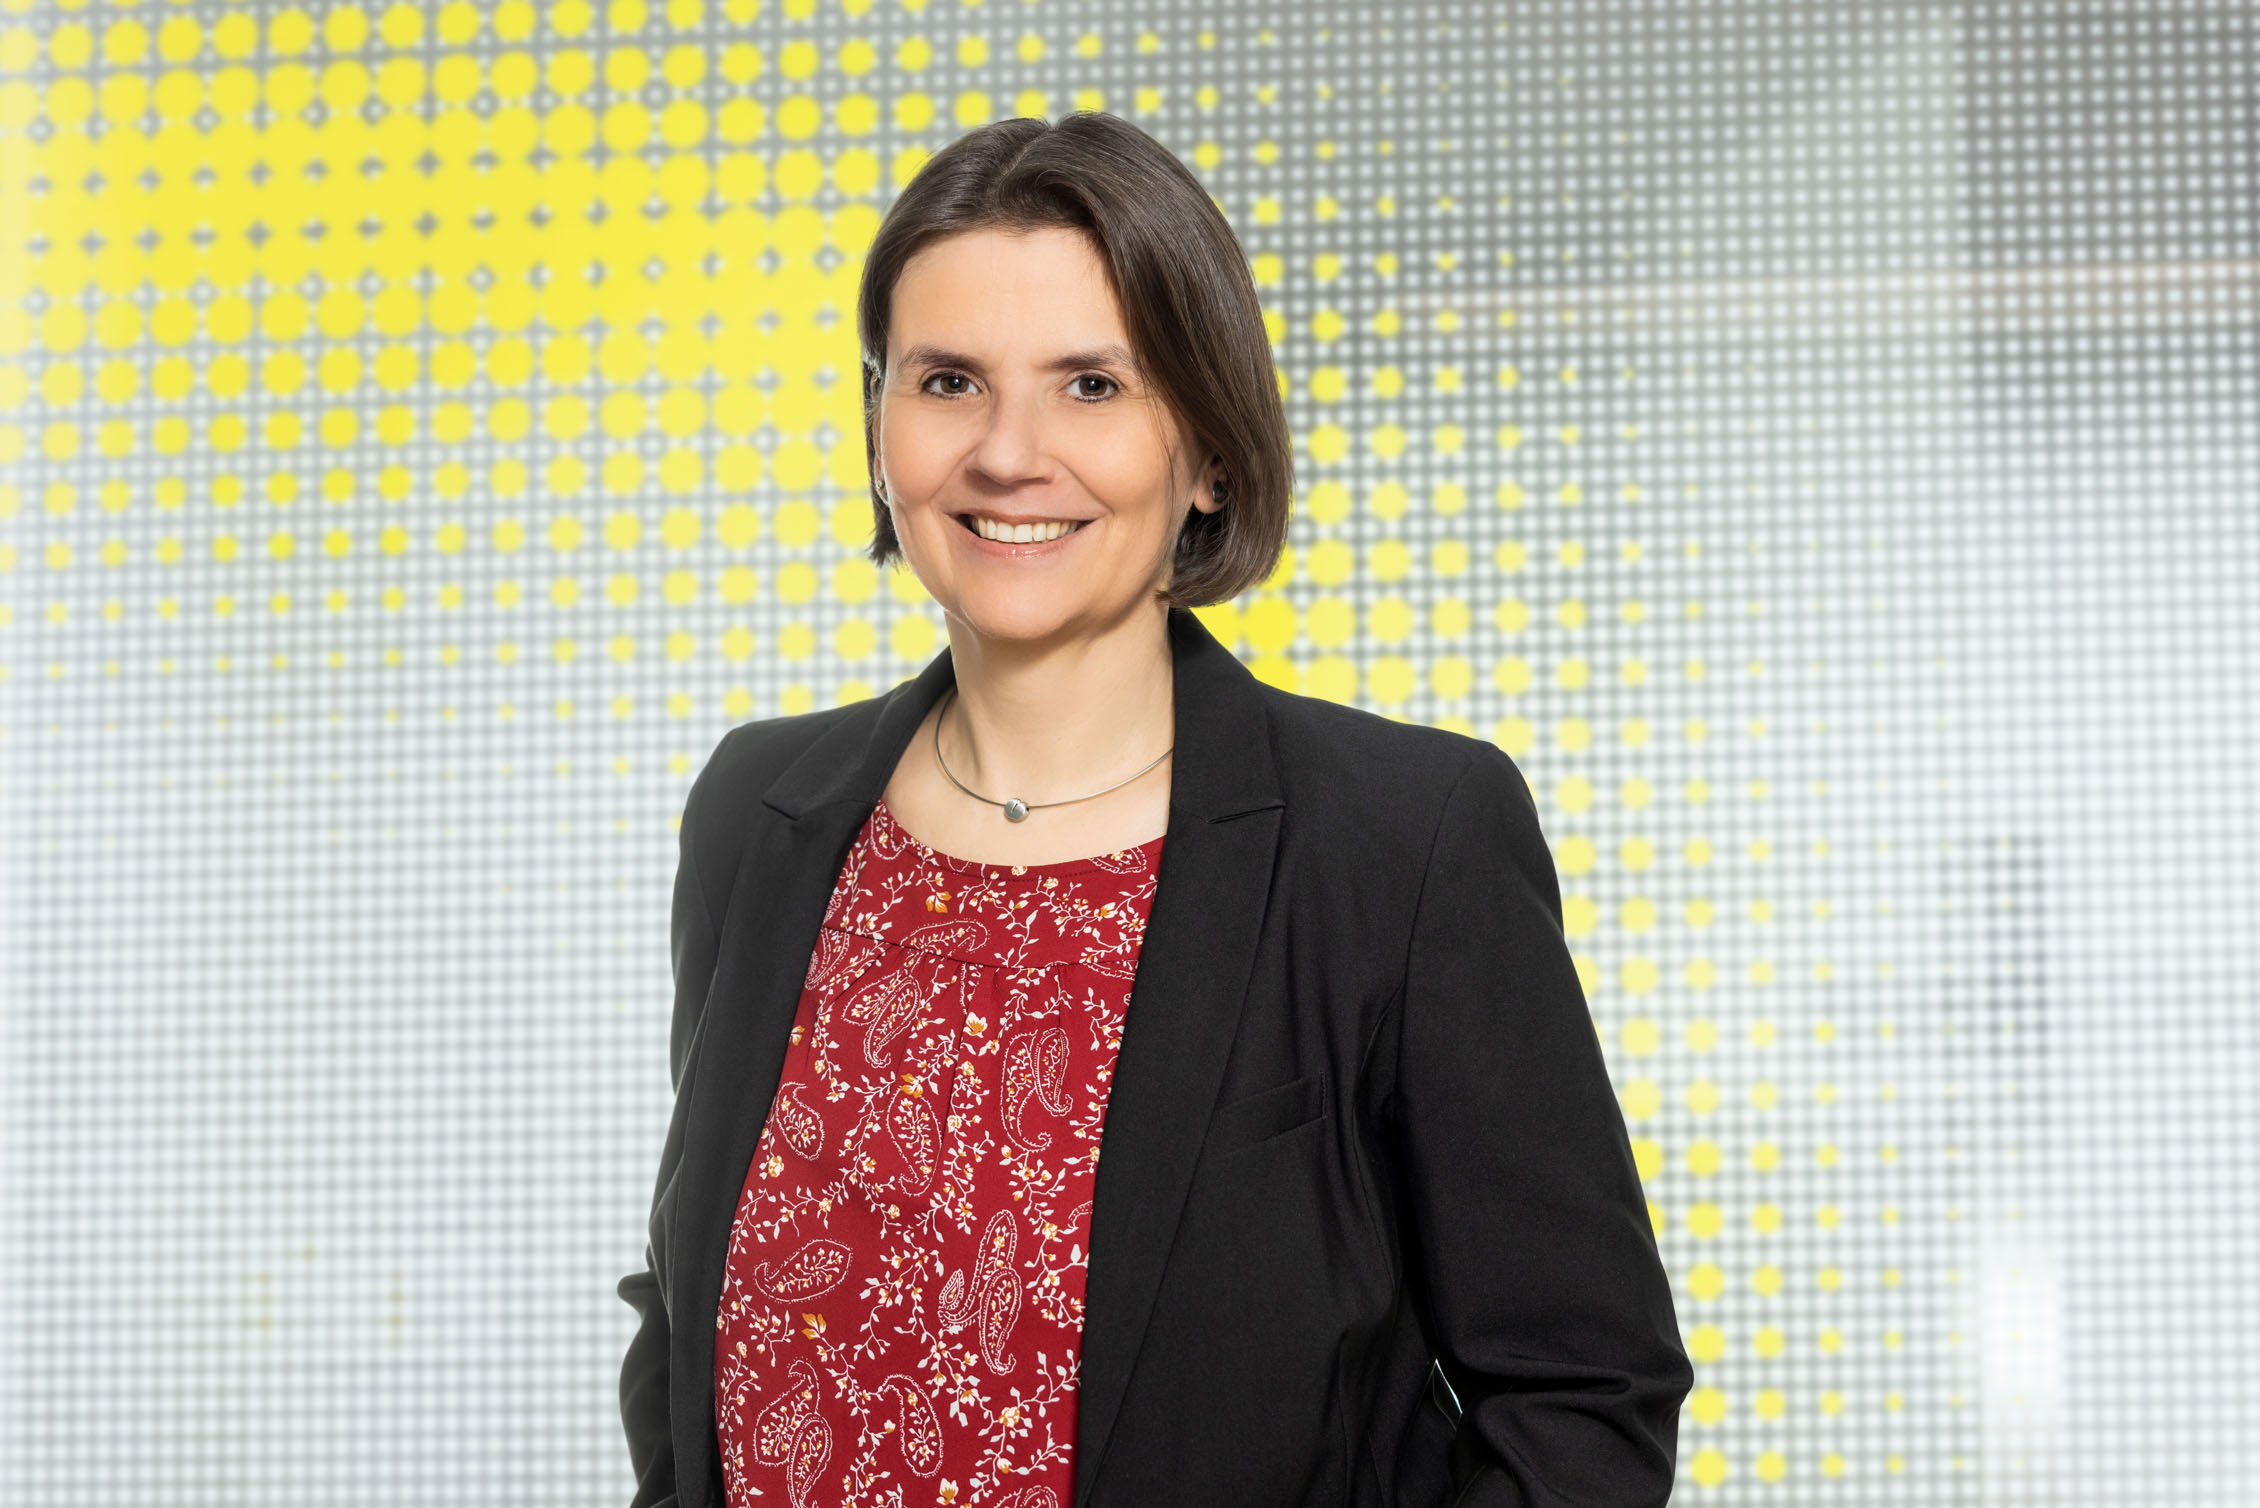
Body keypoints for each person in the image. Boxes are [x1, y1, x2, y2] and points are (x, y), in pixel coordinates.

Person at [616, 111, 1690, 1508]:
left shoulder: (1402, 840)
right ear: (879, 423)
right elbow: (686, 1305)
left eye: (1091, 385)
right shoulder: (759, 814)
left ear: (1209, 451)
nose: (1009, 452)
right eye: (948, 381)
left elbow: (1582, 1398)